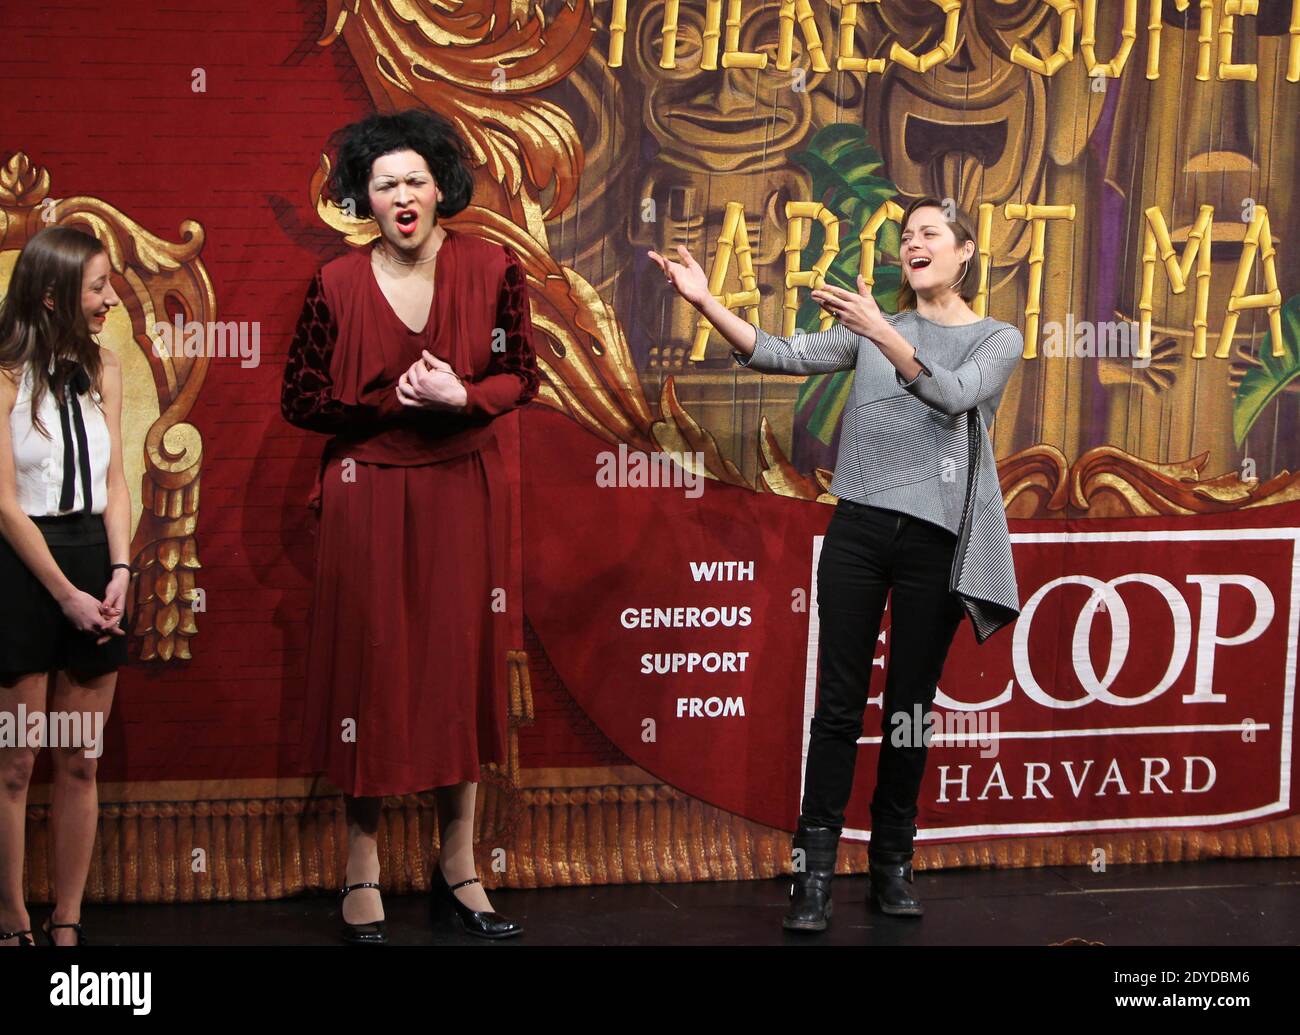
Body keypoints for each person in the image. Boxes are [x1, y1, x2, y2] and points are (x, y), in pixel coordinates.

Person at [650, 195, 1022, 931]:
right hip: (856, 530)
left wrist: (881, 331)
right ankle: (812, 874)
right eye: (906, 234)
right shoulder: (871, 330)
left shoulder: (996, 337)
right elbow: (775, 353)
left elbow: (952, 397)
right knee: (839, 705)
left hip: (936, 540)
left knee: (910, 709)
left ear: (965, 252)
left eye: (930, 233)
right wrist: (706, 303)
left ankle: (892, 864)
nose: (913, 243)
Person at [281, 109, 539, 943]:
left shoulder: (494, 267)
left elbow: (520, 373)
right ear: (366, 196)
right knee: (373, 675)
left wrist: (464, 398)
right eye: (385, 182)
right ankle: (361, 869)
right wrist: (389, 401)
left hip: (462, 490)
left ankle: (457, 864)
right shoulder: (334, 285)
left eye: (415, 180)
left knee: (456, 673)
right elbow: (302, 398)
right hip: (366, 490)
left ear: (440, 190)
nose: (401, 195)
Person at [0, 226, 130, 947]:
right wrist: (64, 594)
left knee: (79, 757)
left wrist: (118, 570)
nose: (111, 299)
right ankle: (11, 915)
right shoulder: (5, 375)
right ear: (52, 296)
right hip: (24, 571)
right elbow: (3, 502)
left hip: (92, 564)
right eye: (99, 287)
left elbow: (114, 483)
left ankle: (68, 919)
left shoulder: (104, 367)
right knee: (16, 760)